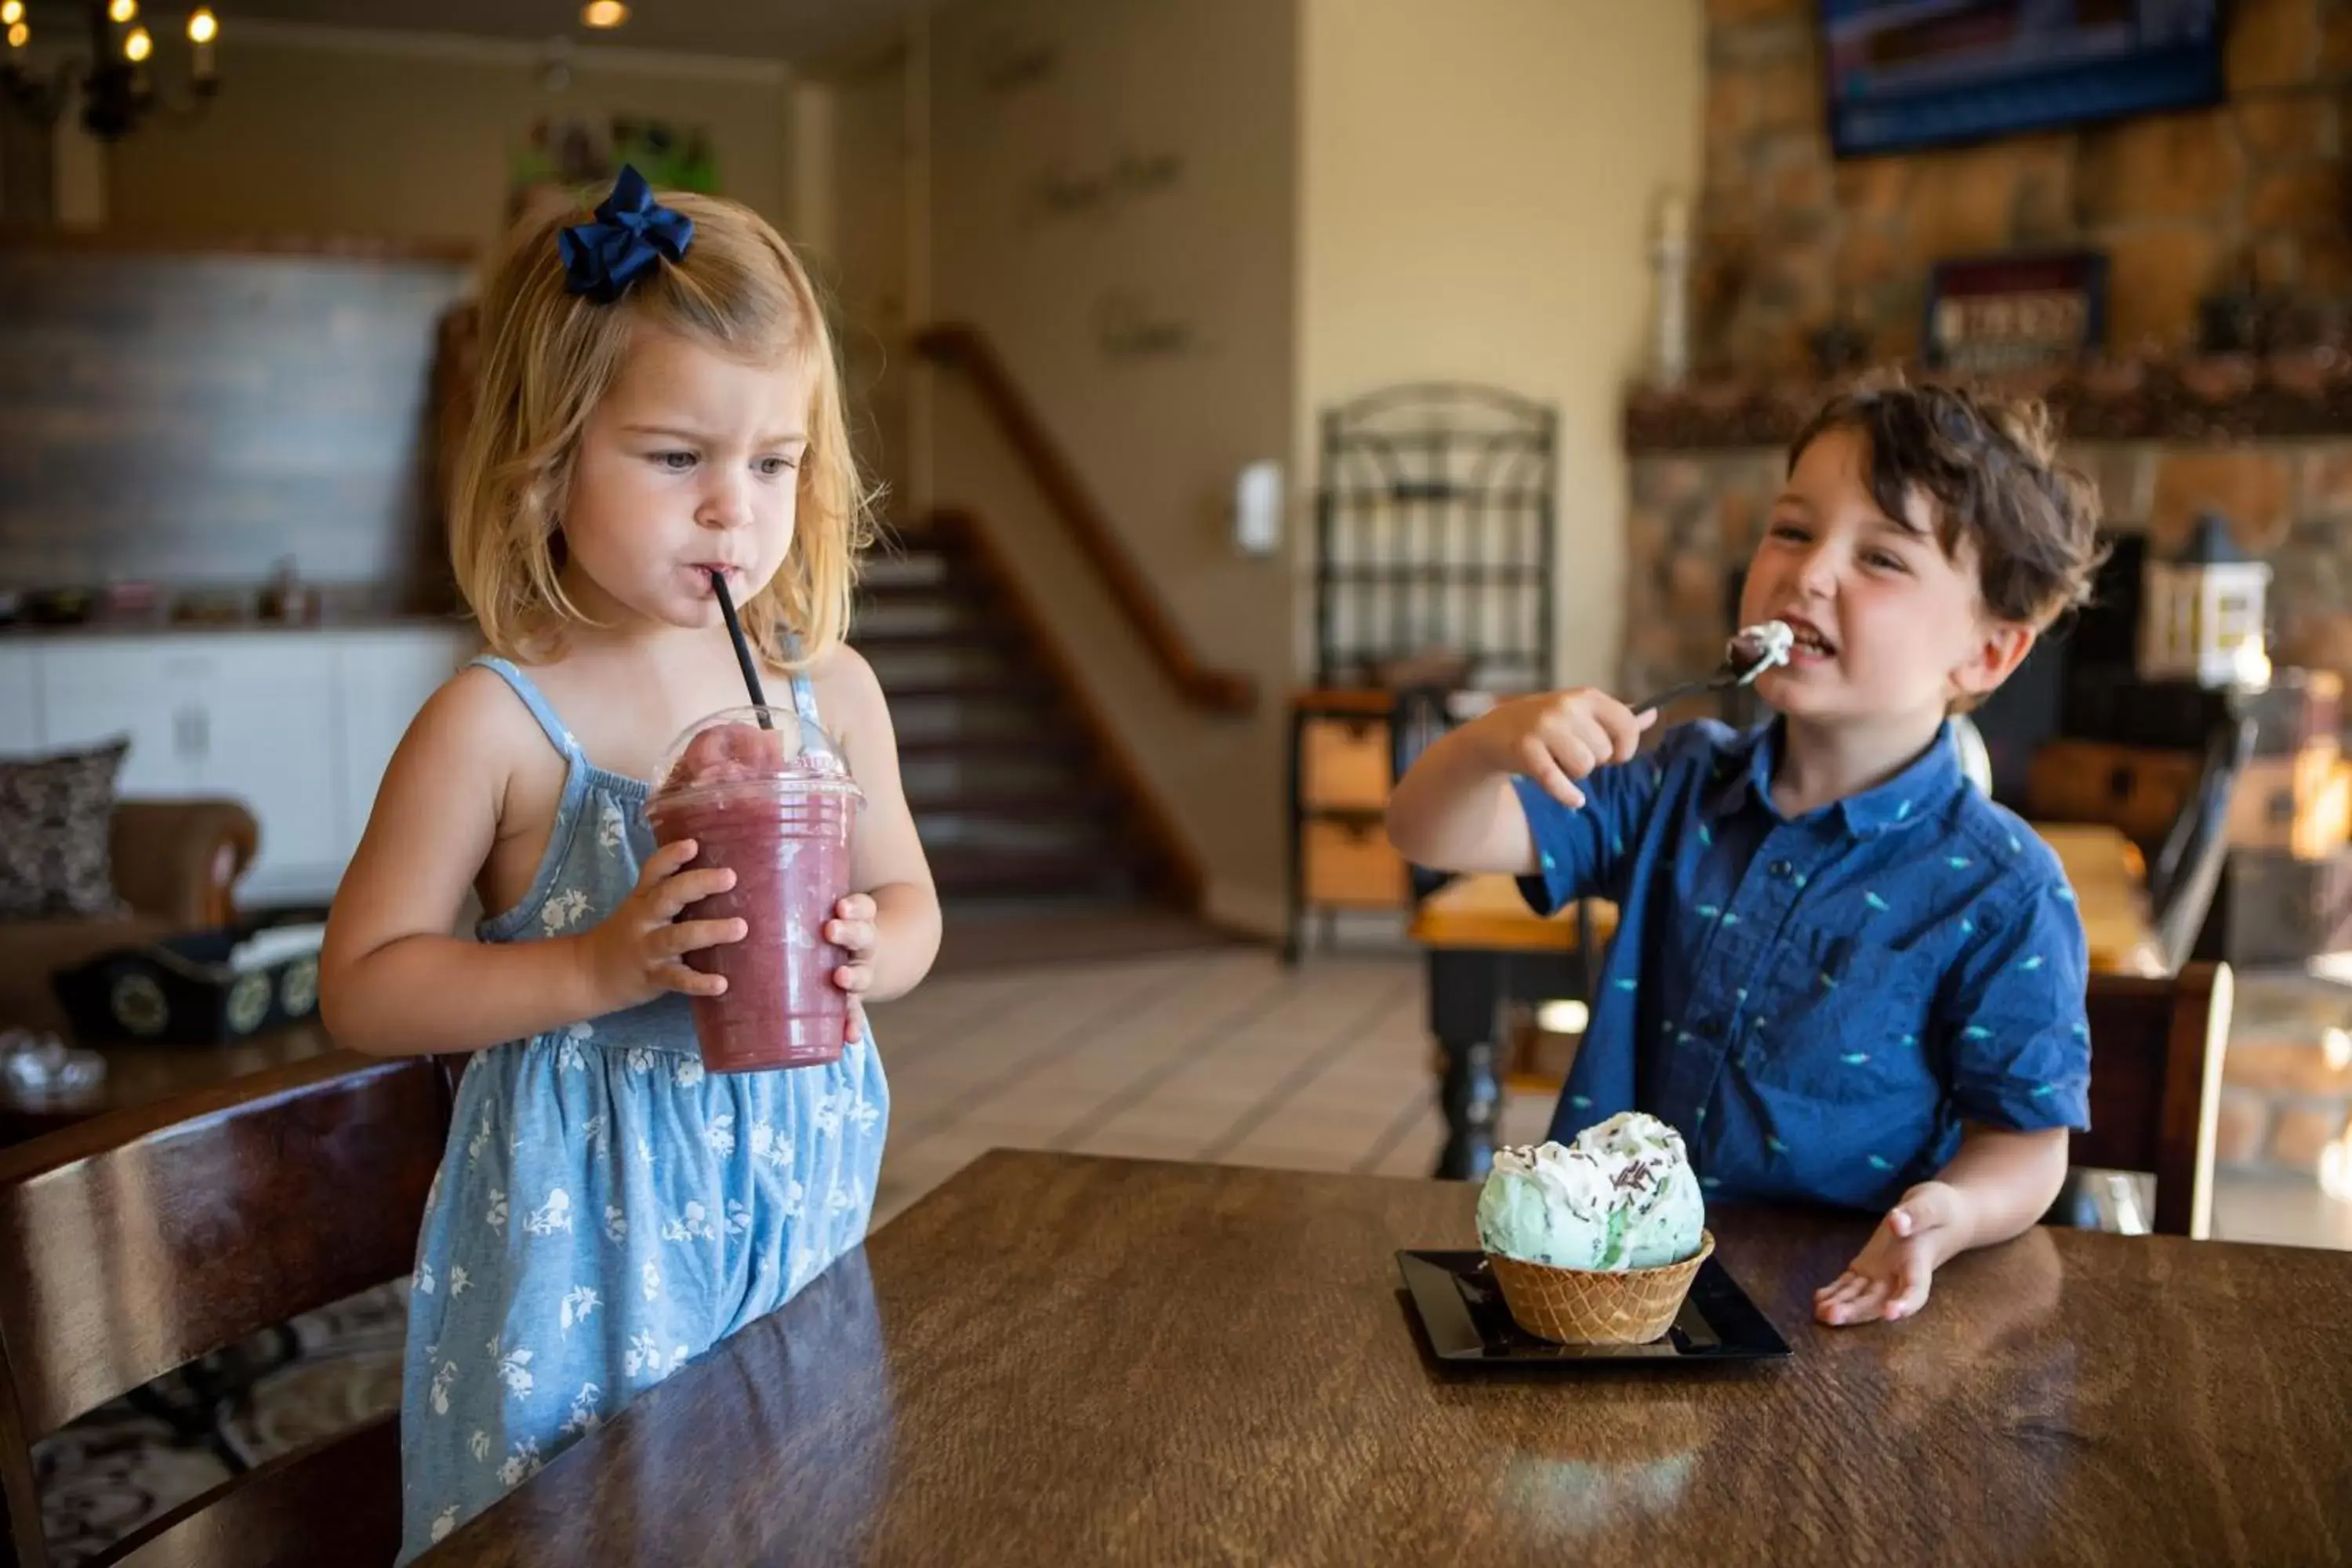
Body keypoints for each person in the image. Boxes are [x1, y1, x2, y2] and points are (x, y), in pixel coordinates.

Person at [318, 166, 938, 1558]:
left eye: (773, 464)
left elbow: (911, 906)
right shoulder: (498, 722)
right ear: (547, 462)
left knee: (792, 1504)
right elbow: (362, 985)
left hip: (791, 1219)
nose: (735, 511)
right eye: (676, 459)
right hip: (587, 1251)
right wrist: (598, 963)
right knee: (597, 1530)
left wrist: (871, 947)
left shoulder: (826, 692)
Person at [1386, 379, 2105, 1328]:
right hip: (1616, 1294)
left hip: (1830, 1303)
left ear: (1988, 655)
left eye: (1881, 555)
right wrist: (1491, 741)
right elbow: (1425, 830)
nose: (1809, 574)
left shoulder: (2004, 887)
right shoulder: (1672, 782)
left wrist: (1954, 1211)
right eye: (1794, 529)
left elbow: (2027, 1140)